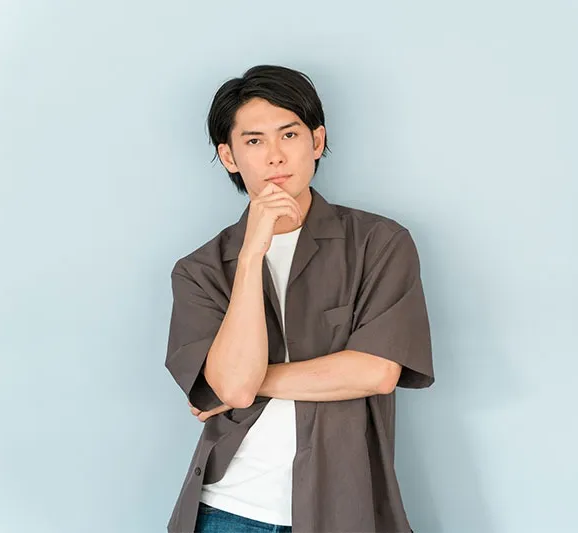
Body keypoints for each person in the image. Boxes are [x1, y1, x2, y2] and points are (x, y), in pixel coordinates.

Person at [164, 65, 435, 533]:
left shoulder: (378, 243)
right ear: (229, 156)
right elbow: (233, 388)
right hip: (226, 513)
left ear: (316, 141)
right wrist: (251, 256)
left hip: (344, 510)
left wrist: (250, 383)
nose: (275, 156)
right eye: (254, 141)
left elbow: (377, 371)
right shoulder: (200, 271)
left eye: (288, 134)